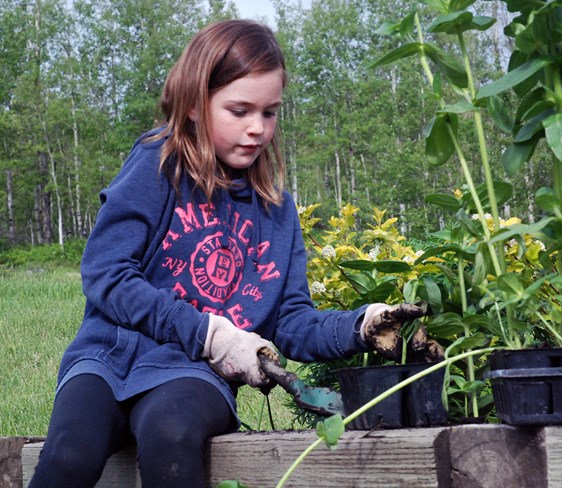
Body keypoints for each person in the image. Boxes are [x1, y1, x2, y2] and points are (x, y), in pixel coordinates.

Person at [28, 19, 441, 488]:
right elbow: (107, 274)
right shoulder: (157, 164)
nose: (256, 128)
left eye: (270, 113)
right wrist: (209, 333)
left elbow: (290, 321)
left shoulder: (277, 211)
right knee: (68, 453)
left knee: (170, 436)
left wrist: (361, 325)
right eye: (239, 110)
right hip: (107, 358)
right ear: (194, 104)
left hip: (193, 374)